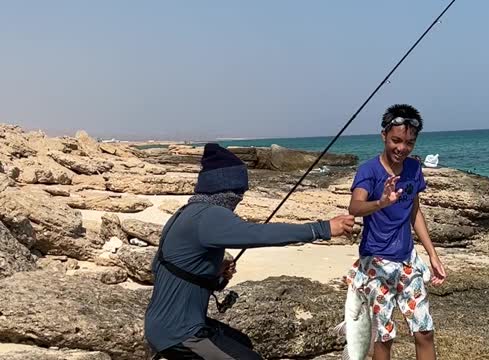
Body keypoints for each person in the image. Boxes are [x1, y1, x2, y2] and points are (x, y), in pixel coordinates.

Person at [144, 143, 355, 360]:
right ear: (225, 188)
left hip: (169, 324)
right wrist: (321, 229)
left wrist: (215, 275)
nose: (241, 197)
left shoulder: (186, 213)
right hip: (180, 333)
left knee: (243, 343)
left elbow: (174, 272)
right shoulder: (209, 216)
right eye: (239, 191)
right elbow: (258, 234)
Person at [346, 104, 446, 360]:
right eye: (396, 141)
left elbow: (415, 212)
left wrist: (432, 255)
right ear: (384, 136)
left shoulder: (413, 169)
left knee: (424, 331)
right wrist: (380, 202)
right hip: (375, 264)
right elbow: (355, 207)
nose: (401, 148)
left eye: (409, 142)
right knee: (384, 336)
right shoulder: (369, 170)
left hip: (407, 261)